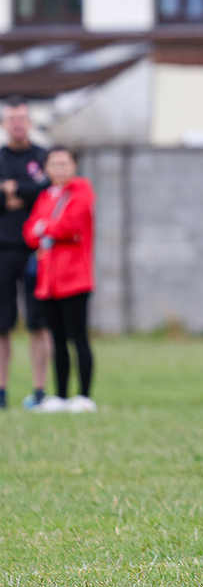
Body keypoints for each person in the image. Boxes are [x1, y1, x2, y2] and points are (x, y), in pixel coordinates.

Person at [22, 147, 96, 414]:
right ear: (47, 168)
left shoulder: (82, 192)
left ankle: (84, 395)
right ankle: (62, 396)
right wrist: (42, 229)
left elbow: (68, 225)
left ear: (74, 165)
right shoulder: (44, 196)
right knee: (58, 338)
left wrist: (45, 228)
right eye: (55, 164)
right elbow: (30, 232)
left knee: (79, 336)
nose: (60, 169)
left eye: (65, 163)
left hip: (75, 278)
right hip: (49, 280)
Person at [0, 96, 50, 410]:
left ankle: (40, 391)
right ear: (5, 124)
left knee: (38, 323)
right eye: (12, 119)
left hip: (37, 254)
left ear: (29, 122)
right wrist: (25, 191)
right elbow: (33, 191)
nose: (17, 123)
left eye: (22, 118)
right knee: (1, 325)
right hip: (3, 251)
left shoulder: (44, 156)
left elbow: (46, 193)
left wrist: (10, 190)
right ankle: (1, 391)